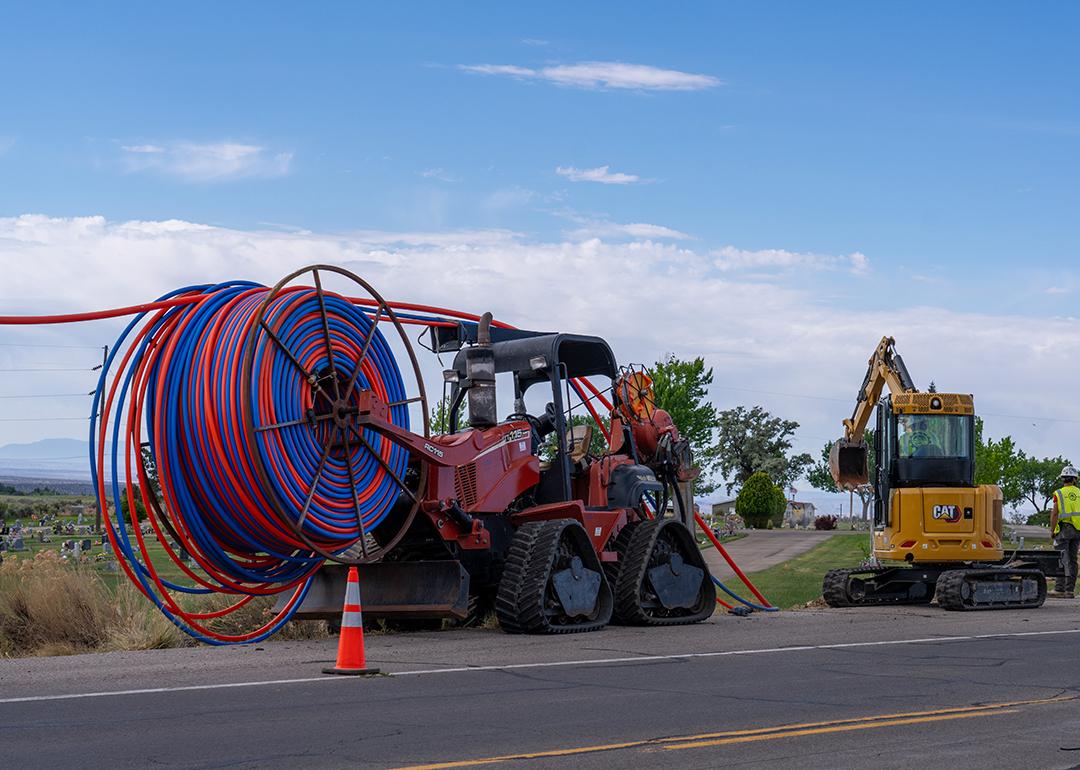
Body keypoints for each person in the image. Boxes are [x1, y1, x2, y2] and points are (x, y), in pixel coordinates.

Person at [1049, 465, 1080, 598]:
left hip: (1063, 530)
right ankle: (1070, 590)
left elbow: (1055, 514)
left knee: (1061, 559)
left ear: (1063, 479)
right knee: (1073, 560)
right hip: (1078, 530)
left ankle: (1059, 589)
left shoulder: (1059, 493)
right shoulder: (1079, 493)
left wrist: (1052, 530)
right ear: (1074, 480)